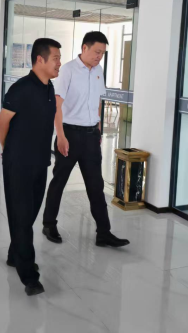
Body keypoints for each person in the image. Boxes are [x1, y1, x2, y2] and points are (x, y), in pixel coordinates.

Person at [42, 31, 129, 248]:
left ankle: (104, 232)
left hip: (91, 136)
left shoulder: (98, 70)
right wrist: (60, 136)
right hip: (69, 134)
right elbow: (57, 106)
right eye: (97, 52)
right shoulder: (68, 70)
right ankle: (49, 224)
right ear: (84, 48)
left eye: (103, 53)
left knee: (96, 185)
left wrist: (98, 128)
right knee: (59, 181)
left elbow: (97, 100)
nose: (100, 56)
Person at [0, 38, 61, 296]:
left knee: (30, 213)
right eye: (55, 58)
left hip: (40, 162)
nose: (59, 63)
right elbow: (2, 123)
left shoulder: (49, 88)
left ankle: (15, 254)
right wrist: (9, 150)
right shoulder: (20, 89)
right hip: (19, 164)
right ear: (40, 60)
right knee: (22, 216)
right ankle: (29, 277)